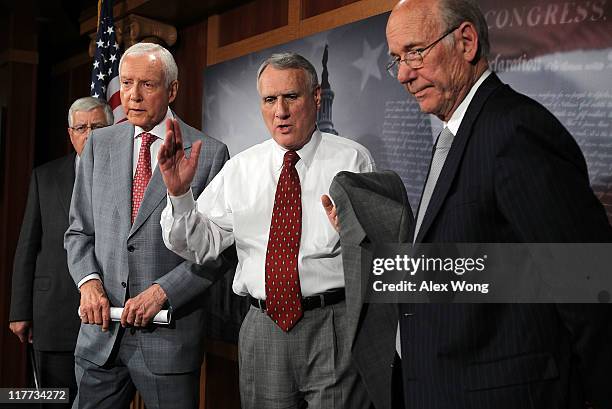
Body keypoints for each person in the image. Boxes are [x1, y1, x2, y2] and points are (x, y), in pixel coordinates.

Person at [331, 0, 612, 408]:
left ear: (466, 41)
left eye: (415, 52)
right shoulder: (456, 132)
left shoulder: (515, 130)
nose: (404, 74)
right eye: (396, 60)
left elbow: (589, 288)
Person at [159, 52, 375, 409]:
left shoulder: (354, 161)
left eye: (291, 96)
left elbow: (379, 247)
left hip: (333, 325)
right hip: (263, 327)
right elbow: (199, 246)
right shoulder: (241, 168)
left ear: (316, 98)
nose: (281, 111)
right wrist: (180, 195)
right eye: (269, 100)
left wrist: (358, 234)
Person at [64, 42, 230, 409]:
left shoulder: (208, 152)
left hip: (168, 341)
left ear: (171, 90)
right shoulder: (99, 144)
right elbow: (78, 231)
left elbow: (216, 253)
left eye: (147, 85)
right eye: (126, 83)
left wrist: (160, 293)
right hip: (100, 335)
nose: (132, 97)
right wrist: (89, 283)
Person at [9, 97, 112, 407]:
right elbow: (28, 244)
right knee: (53, 399)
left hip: (108, 314)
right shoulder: (45, 176)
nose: (90, 134)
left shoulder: (127, 176)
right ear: (71, 134)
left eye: (97, 127)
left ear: (111, 130)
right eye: (82, 127)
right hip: (53, 314)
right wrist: (19, 311)